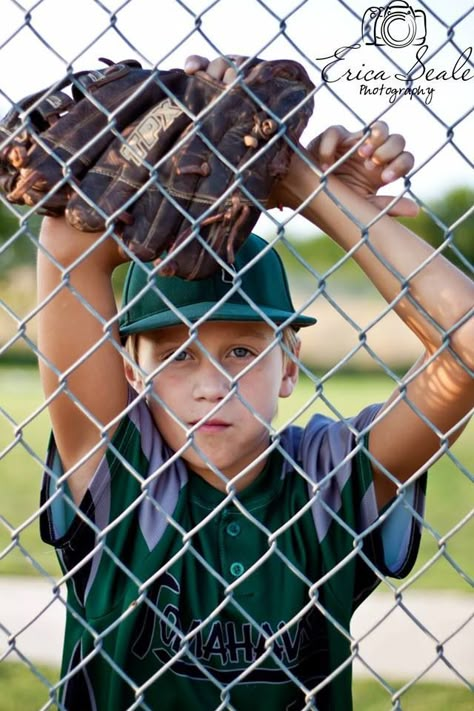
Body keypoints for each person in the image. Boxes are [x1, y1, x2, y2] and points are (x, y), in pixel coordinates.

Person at [36, 55, 473, 711]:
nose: (212, 384)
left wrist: (303, 183)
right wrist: (262, 173)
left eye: (241, 349)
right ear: (131, 369)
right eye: (177, 354)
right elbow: (68, 249)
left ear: (290, 366)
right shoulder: (121, 467)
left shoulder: (326, 481)